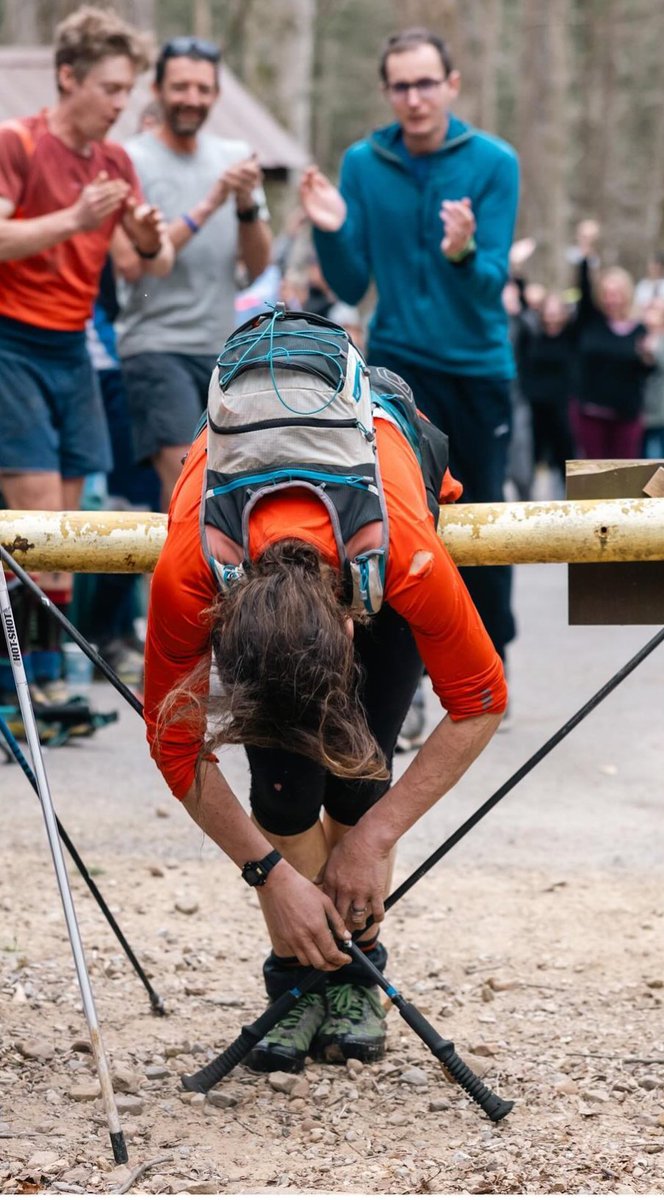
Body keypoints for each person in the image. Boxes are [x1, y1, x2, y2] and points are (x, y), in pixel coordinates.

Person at [143, 311, 507, 1073]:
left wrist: (372, 841)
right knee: (280, 794)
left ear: (349, 622)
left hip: (382, 485)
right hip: (258, 543)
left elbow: (479, 700)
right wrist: (268, 875)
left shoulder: (401, 556)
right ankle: (300, 979)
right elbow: (172, 742)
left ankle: (352, 978)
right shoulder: (192, 571)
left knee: (359, 783)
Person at [299, 26, 519, 747]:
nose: (415, 98)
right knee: (397, 528)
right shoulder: (364, 163)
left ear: (453, 85)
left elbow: (489, 290)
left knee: (483, 526)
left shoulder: (494, 163)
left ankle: (488, 674)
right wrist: (332, 230)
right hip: (395, 371)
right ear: (387, 90)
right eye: (402, 86)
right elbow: (353, 283)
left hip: (478, 369)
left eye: (428, 83)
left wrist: (463, 252)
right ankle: (407, 685)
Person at [0, 6, 172, 707]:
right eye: (110, 88)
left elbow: (137, 267)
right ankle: (18, 688)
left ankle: (45, 682)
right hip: (12, 340)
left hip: (75, 347)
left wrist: (150, 238)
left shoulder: (117, 160)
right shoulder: (17, 142)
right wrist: (74, 218)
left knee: (69, 530)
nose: (121, 104)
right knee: (35, 517)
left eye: (128, 90)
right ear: (68, 77)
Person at [114, 36, 272, 509]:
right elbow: (136, 265)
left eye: (203, 89)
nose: (192, 99)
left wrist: (244, 204)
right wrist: (210, 203)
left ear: (217, 94)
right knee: (188, 483)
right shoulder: (131, 160)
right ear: (156, 89)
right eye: (181, 87)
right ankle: (178, 585)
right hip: (154, 346)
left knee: (238, 485)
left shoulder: (233, 154)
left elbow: (259, 265)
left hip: (223, 350)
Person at [571, 221, 650, 460]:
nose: (611, 299)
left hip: (627, 414)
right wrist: (585, 248)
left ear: (626, 295)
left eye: (616, 293)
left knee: (625, 475)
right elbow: (583, 286)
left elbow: (647, 371)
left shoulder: (640, 329)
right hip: (591, 411)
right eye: (606, 293)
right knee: (595, 473)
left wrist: (647, 358)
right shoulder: (591, 321)